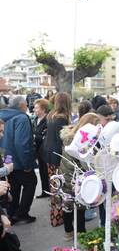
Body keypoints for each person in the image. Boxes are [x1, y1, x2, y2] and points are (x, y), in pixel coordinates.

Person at [59, 113, 100, 241]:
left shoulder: (69, 135)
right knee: (80, 205)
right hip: (76, 175)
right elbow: (84, 160)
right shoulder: (82, 139)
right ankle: (81, 232)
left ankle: (68, 231)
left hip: (65, 173)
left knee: (67, 205)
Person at [0, 96, 37, 224]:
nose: (28, 107)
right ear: (22, 105)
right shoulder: (22, 117)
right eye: (26, 104)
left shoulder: (3, 115)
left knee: (14, 186)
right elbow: (22, 143)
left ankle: (12, 213)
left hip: (6, 159)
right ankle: (21, 213)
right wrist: (27, 164)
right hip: (19, 161)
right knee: (31, 182)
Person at [43, 92, 72, 227]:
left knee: (54, 186)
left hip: (48, 154)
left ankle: (55, 217)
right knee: (59, 187)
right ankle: (57, 218)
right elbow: (63, 139)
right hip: (57, 156)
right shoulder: (62, 118)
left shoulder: (51, 116)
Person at [32, 99, 50, 199]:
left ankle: (47, 191)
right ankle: (45, 191)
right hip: (37, 150)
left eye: (37, 107)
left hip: (45, 150)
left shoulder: (48, 120)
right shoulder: (35, 119)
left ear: (43, 109)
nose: (34, 109)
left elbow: (45, 136)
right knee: (42, 171)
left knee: (46, 172)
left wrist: (34, 136)